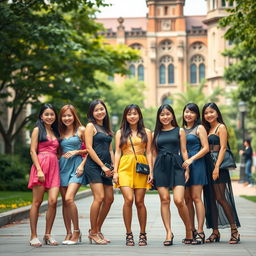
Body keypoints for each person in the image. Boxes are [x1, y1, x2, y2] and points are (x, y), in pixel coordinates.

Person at [152, 104, 193, 246]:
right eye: (162, 114)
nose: (165, 117)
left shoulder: (179, 130)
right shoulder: (155, 133)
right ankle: (169, 232)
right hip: (161, 166)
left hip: (177, 165)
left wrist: (187, 169)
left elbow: (184, 150)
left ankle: (189, 230)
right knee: (164, 200)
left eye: (168, 114)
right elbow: (153, 154)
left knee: (179, 200)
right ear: (159, 117)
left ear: (173, 115)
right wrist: (151, 172)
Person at [113, 104, 153, 246]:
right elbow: (117, 152)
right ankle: (129, 234)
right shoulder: (120, 133)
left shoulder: (147, 132)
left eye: (135, 113)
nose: (132, 116)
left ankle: (143, 234)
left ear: (139, 115)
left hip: (141, 167)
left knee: (140, 202)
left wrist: (151, 171)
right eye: (129, 114)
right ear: (125, 116)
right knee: (128, 199)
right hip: (124, 166)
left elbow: (149, 152)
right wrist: (115, 171)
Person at [202, 102, 241, 244]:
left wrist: (217, 167)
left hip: (218, 167)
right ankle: (215, 232)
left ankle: (234, 230)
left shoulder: (221, 127)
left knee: (221, 198)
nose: (209, 115)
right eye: (206, 113)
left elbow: (223, 148)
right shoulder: (205, 129)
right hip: (207, 166)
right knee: (210, 199)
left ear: (217, 113)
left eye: (211, 112)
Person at [28, 103, 60, 247]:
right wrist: (39, 170)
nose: (49, 117)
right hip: (41, 166)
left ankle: (48, 234)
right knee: (37, 202)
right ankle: (33, 235)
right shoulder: (37, 130)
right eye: (46, 114)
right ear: (41, 116)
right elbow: (33, 151)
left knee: (53, 201)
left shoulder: (55, 131)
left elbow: (58, 152)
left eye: (52, 114)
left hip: (54, 168)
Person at [84, 99, 114, 245]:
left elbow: (110, 149)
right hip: (94, 166)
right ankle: (93, 232)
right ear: (92, 113)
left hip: (107, 167)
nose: (100, 112)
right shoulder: (90, 126)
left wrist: (113, 166)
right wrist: (102, 166)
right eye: (96, 110)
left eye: (102, 109)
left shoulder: (107, 129)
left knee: (109, 199)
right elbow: (89, 148)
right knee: (99, 197)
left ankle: (97, 229)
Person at [58, 104, 88, 245]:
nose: (67, 118)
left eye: (69, 115)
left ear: (74, 115)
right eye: (64, 116)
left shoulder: (81, 130)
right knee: (65, 202)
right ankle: (68, 232)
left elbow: (90, 150)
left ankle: (76, 231)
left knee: (69, 198)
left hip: (77, 167)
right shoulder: (60, 131)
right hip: (62, 167)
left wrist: (80, 160)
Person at [182, 103, 209, 244]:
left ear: (197, 115)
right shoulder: (181, 129)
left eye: (192, 112)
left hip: (197, 164)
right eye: (186, 112)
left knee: (196, 197)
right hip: (184, 165)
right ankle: (191, 230)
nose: (188, 115)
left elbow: (206, 148)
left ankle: (200, 231)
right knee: (187, 199)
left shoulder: (200, 128)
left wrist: (192, 159)